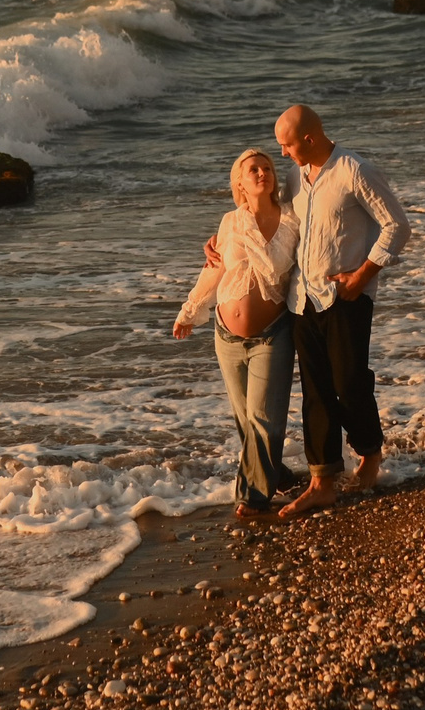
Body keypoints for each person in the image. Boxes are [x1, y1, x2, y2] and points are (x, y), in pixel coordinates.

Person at [271, 104, 411, 516]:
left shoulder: (355, 170)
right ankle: (322, 482)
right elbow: (276, 224)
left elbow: (397, 226)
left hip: (345, 296)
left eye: (287, 144)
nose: (282, 153)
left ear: (309, 139)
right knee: (315, 393)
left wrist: (363, 275)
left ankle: (369, 452)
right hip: (302, 298)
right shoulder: (296, 176)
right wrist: (223, 241)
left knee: (349, 384)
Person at [172, 147, 301, 519]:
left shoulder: (292, 220)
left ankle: (252, 498)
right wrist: (190, 310)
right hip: (226, 335)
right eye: (252, 170)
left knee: (263, 417)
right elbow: (214, 270)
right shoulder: (230, 222)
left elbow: (294, 264)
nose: (262, 173)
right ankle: (278, 475)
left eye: (267, 168)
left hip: (272, 333)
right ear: (240, 183)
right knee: (245, 419)